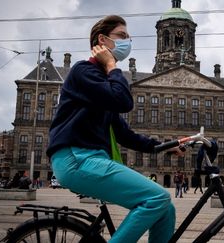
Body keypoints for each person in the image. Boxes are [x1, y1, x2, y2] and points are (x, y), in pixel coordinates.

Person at [46, 15, 184, 243]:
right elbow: (123, 101)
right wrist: (112, 65)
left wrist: (165, 146)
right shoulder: (84, 71)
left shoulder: (101, 83)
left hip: (91, 159)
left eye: (128, 37)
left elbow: (124, 134)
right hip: (76, 158)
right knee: (157, 197)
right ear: (102, 40)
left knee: (165, 209)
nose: (127, 41)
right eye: (122, 36)